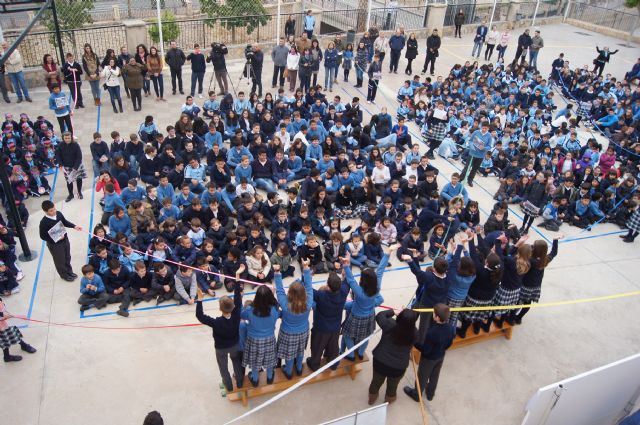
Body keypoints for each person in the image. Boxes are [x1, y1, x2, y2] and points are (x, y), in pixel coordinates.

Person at [341, 245, 394, 360]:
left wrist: (346, 265)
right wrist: (387, 253)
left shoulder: (359, 292)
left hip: (356, 317)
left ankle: (350, 354)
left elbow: (350, 279)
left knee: (347, 335)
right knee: (365, 337)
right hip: (369, 316)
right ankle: (360, 353)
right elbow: (380, 271)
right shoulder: (377, 287)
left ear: (363, 280)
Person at [195, 275, 244, 392]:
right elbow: (238, 298)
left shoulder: (216, 322)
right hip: (234, 345)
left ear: (220, 309)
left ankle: (229, 386)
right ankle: (240, 383)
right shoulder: (237, 315)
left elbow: (200, 316)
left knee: (223, 367)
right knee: (237, 364)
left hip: (221, 348)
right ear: (233, 307)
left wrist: (200, 300)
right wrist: (237, 280)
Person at [403, 303, 454, 402]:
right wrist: (442, 349)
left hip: (429, 359)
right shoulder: (451, 328)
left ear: (437, 317)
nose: (432, 314)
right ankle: (430, 393)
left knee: (422, 377)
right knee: (435, 375)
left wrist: (415, 343)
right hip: (440, 356)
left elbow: (426, 350)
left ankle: (416, 394)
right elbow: (449, 343)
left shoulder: (432, 333)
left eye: (434, 313)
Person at [367, 308, 418, 405]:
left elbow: (380, 316)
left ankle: (372, 398)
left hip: (380, 361)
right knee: (393, 386)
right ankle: (389, 400)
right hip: (398, 367)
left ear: (400, 317)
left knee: (376, 382)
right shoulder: (415, 333)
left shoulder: (389, 324)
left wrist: (393, 312)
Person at [274, 259, 313, 379]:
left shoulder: (285, 305)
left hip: (288, 333)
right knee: (300, 350)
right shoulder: (308, 302)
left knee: (289, 354)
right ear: (303, 293)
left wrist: (277, 272)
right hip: (303, 331)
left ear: (289, 293)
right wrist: (306, 268)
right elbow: (309, 287)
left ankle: (289, 371)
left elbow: (279, 289)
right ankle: (299, 369)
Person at [241, 285, 280, 387]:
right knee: (270, 360)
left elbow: (241, 314)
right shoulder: (275, 310)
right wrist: (273, 294)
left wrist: (240, 298)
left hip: (254, 340)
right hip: (269, 338)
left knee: (254, 362)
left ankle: (255, 379)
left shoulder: (249, 310)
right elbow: (276, 306)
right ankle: (270, 377)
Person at [39, 200, 82, 282]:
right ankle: (64, 275)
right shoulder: (43, 222)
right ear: (45, 211)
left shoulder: (58, 214)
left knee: (67, 256)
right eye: (51, 211)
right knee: (60, 260)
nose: (54, 211)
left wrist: (74, 226)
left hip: (65, 240)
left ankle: (69, 271)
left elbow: (64, 222)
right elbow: (42, 236)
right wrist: (56, 238)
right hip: (55, 245)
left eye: (54, 209)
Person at [0, 298, 37, 362]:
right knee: (5, 338)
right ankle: (7, 356)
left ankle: (22, 346)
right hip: (2, 324)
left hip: (5, 320)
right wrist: (2, 314)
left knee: (12, 333)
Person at [459, 121, 492, 187]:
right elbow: (470, 141)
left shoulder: (489, 135)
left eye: (485, 128)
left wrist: (484, 148)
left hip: (481, 155)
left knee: (475, 169)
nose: (484, 129)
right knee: (467, 167)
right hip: (472, 153)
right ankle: (461, 178)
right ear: (481, 127)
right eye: (483, 128)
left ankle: (470, 180)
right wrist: (472, 147)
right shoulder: (476, 132)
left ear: (488, 128)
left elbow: (489, 146)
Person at [56, 131, 86, 202]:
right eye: (66, 138)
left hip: (76, 165)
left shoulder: (76, 145)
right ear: (63, 138)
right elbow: (58, 155)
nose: (67, 140)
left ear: (71, 137)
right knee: (69, 181)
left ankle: (79, 192)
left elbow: (79, 157)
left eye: (69, 138)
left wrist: (75, 167)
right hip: (66, 166)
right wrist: (60, 164)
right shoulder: (60, 145)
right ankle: (70, 194)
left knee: (79, 179)